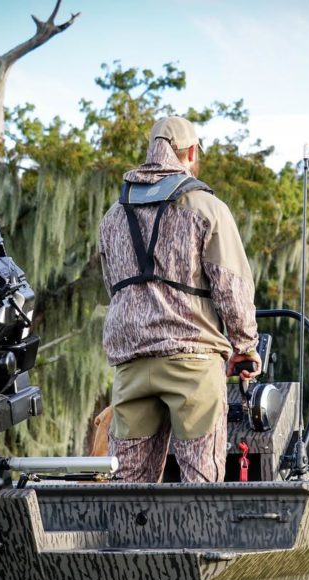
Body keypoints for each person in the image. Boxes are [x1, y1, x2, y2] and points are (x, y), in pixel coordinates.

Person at [98, 115, 260, 483]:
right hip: (192, 360)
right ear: (189, 153)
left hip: (132, 365)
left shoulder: (112, 216)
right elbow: (231, 285)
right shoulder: (206, 208)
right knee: (200, 478)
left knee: (127, 483)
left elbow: (114, 288)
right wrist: (245, 347)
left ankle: (126, 525)